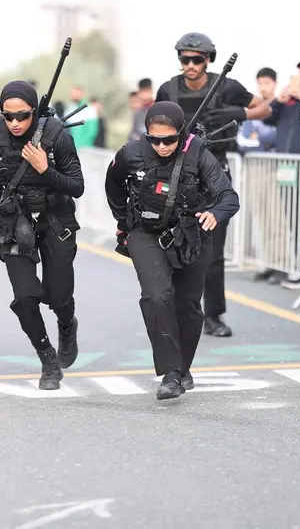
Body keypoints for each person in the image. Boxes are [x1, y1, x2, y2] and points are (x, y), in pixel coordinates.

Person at [105, 101, 239, 399]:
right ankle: (171, 373)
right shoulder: (130, 154)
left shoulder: (199, 154)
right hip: (144, 233)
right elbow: (112, 185)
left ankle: (181, 367)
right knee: (157, 295)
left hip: (191, 234)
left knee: (187, 306)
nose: (162, 145)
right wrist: (123, 220)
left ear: (181, 133)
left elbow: (229, 196)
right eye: (155, 139)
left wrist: (215, 213)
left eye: (169, 139)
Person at [156, 32, 272, 338]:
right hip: (175, 177)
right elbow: (152, 128)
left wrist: (239, 112)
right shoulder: (168, 89)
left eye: (197, 59)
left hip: (213, 175)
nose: (191, 65)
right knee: (171, 247)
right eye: (185, 59)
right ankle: (175, 311)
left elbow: (265, 108)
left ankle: (214, 316)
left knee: (213, 254)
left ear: (209, 61)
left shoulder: (226, 86)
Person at [0, 80, 84, 390]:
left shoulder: (57, 136)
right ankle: (47, 359)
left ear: (34, 113)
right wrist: (5, 202)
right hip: (15, 222)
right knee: (25, 297)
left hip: (55, 219)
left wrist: (44, 169)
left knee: (58, 295)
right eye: (7, 116)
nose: (14, 123)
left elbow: (77, 186)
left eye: (22, 116)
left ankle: (67, 324)